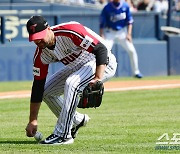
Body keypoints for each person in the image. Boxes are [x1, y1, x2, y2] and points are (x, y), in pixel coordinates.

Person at [25, 15, 117, 145]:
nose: (38, 41)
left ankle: (63, 134)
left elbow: (101, 49)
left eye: (40, 36)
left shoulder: (70, 31)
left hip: (101, 62)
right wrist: (33, 120)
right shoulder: (41, 54)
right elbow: (38, 86)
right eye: (35, 39)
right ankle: (76, 121)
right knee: (46, 92)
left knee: (72, 84)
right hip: (77, 66)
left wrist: (97, 78)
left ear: (49, 29)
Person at [100, 0, 143, 78]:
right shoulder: (107, 7)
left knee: (131, 50)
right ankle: (101, 73)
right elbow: (102, 23)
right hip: (110, 32)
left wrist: (129, 34)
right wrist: (101, 34)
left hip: (122, 32)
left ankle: (136, 72)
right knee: (104, 51)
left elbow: (130, 21)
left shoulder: (125, 6)